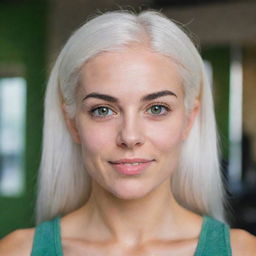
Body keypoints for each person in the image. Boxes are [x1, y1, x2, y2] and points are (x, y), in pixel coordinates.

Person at [0, 9, 255, 256]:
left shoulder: (244, 251)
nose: (130, 137)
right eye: (102, 110)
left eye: (157, 108)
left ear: (189, 119)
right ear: (72, 123)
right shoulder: (16, 251)